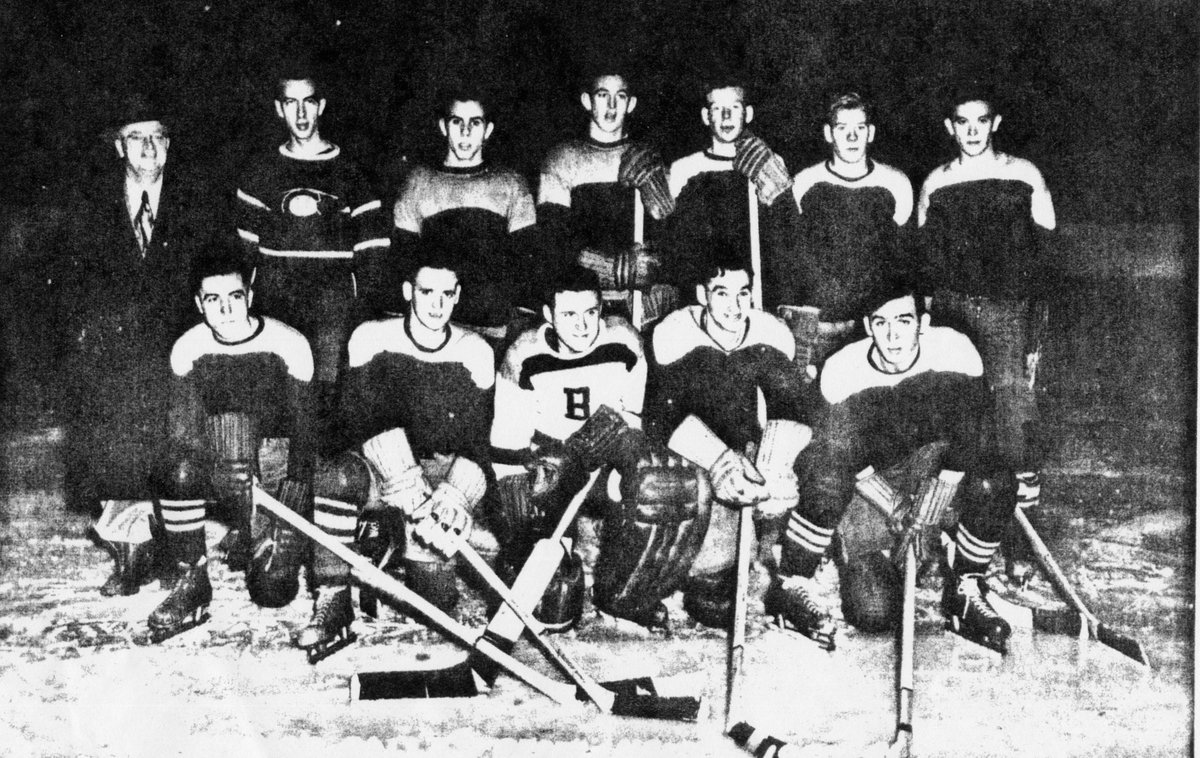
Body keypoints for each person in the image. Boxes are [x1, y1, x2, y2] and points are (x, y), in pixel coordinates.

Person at [776, 280, 1014, 654]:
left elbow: (976, 431)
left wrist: (934, 502)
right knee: (873, 613)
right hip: (870, 487)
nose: (892, 335)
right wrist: (895, 507)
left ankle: (965, 588)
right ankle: (792, 584)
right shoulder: (842, 371)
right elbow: (838, 459)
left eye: (903, 321)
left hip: (933, 469)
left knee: (994, 480)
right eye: (881, 323)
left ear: (923, 323)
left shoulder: (955, 351)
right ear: (868, 326)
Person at [297, 255, 495, 662]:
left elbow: (478, 445)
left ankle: (391, 541)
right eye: (426, 292)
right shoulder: (371, 337)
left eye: (446, 294)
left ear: (457, 297)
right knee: (335, 476)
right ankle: (334, 593)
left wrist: (455, 495)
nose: (436, 304)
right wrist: (400, 475)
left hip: (438, 476)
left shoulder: (476, 351)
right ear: (408, 292)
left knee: (436, 602)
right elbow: (350, 423)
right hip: (380, 465)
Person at [61, 93, 220, 596]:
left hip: (178, 341)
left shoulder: (195, 205)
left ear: (169, 146)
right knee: (108, 401)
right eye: (136, 137)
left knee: (178, 425)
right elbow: (71, 285)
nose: (148, 147)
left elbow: (214, 274)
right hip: (115, 348)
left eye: (157, 137)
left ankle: (175, 541)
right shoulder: (91, 208)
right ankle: (131, 544)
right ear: (118, 146)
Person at [917, 88, 1055, 580]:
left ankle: (1020, 542)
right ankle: (950, 528)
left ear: (994, 123)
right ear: (949, 127)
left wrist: (1032, 325)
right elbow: (926, 262)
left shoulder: (1023, 175)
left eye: (981, 121)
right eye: (962, 121)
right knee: (957, 414)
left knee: (1013, 416)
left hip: (1005, 312)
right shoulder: (935, 182)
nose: (971, 130)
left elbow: (1046, 254)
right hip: (955, 310)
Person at [148, 254, 317, 642]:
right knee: (181, 466)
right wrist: (216, 466)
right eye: (212, 300)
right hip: (220, 460)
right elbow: (182, 435)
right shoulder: (188, 348)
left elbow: (306, 433)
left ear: (250, 296)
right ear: (198, 303)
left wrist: (291, 495)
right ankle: (192, 578)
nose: (225, 309)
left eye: (234, 296)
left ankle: (253, 536)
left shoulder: (288, 343)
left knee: (273, 592)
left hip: (274, 464)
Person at [649, 256, 813, 630]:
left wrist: (772, 465)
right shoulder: (674, 333)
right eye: (722, 294)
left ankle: (768, 557)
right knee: (713, 582)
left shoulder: (769, 332)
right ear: (701, 294)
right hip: (698, 455)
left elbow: (792, 406)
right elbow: (662, 418)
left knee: (779, 491)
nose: (735, 306)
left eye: (744, 294)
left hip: (749, 450)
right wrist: (719, 461)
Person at [235, 68, 390, 422]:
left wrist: (353, 319)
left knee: (324, 413)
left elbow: (373, 263)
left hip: (332, 315)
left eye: (309, 102)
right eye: (291, 103)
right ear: (279, 108)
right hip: (276, 306)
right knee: (276, 408)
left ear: (321, 106)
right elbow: (244, 260)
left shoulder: (353, 174)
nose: (301, 114)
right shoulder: (260, 173)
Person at [771, 93, 914, 370]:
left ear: (870, 132)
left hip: (873, 328)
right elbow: (788, 257)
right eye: (842, 128)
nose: (851, 137)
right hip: (821, 327)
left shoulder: (896, 183)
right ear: (828, 133)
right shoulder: (804, 183)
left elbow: (904, 265)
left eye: (859, 128)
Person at [392, 91, 538, 344]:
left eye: (476, 122)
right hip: (435, 328)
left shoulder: (511, 183)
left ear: (488, 129)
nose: (466, 131)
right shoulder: (418, 182)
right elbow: (403, 262)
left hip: (493, 329)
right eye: (457, 122)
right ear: (443, 127)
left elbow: (526, 267)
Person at [537, 69, 675, 329]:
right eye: (603, 95)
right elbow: (552, 241)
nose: (611, 106)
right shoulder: (563, 158)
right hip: (584, 305)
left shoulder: (646, 159)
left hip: (642, 305)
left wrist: (658, 269)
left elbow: (673, 240)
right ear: (587, 101)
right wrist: (610, 269)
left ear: (631, 104)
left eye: (620, 96)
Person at [665, 80, 791, 298]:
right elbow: (675, 245)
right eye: (717, 108)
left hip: (758, 292)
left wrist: (779, 197)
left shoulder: (769, 162)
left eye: (734, 107)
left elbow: (786, 234)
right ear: (706, 116)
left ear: (748, 113)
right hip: (704, 294)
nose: (726, 116)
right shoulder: (684, 168)